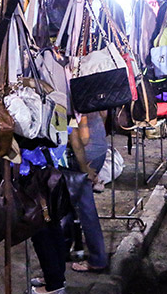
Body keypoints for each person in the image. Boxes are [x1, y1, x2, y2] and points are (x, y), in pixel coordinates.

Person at [64, 111, 108, 272]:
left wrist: (85, 169)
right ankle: (68, 248)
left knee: (84, 207)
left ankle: (98, 258)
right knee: (71, 202)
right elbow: (103, 113)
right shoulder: (91, 85)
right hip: (99, 147)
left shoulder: (68, 88)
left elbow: (79, 137)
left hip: (83, 154)